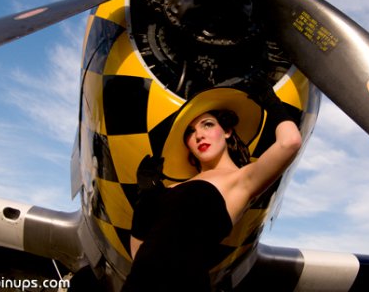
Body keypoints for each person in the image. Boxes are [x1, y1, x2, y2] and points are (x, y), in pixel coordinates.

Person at [121, 85, 302, 292]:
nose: (198, 135)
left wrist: (270, 100)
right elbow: (138, 253)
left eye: (207, 125)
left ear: (226, 131)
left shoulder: (241, 179)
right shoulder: (170, 187)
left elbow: (290, 143)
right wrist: (146, 195)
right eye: (190, 132)